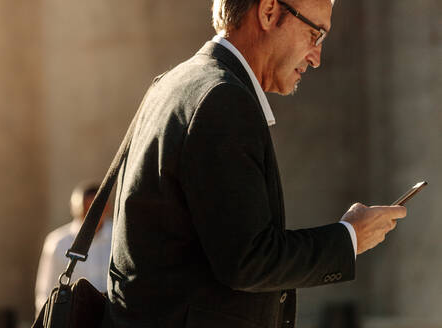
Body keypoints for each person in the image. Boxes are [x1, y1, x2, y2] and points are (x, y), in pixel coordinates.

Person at [107, 0, 407, 327]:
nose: (316, 57)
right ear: (267, 12)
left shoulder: (173, 84)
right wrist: (349, 237)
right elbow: (248, 261)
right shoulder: (222, 99)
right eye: (314, 34)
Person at [35, 181, 112, 315]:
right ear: (74, 208)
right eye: (85, 210)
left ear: (107, 207)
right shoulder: (57, 243)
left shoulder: (120, 236)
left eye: (95, 209)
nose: (90, 216)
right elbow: (46, 292)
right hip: (75, 318)